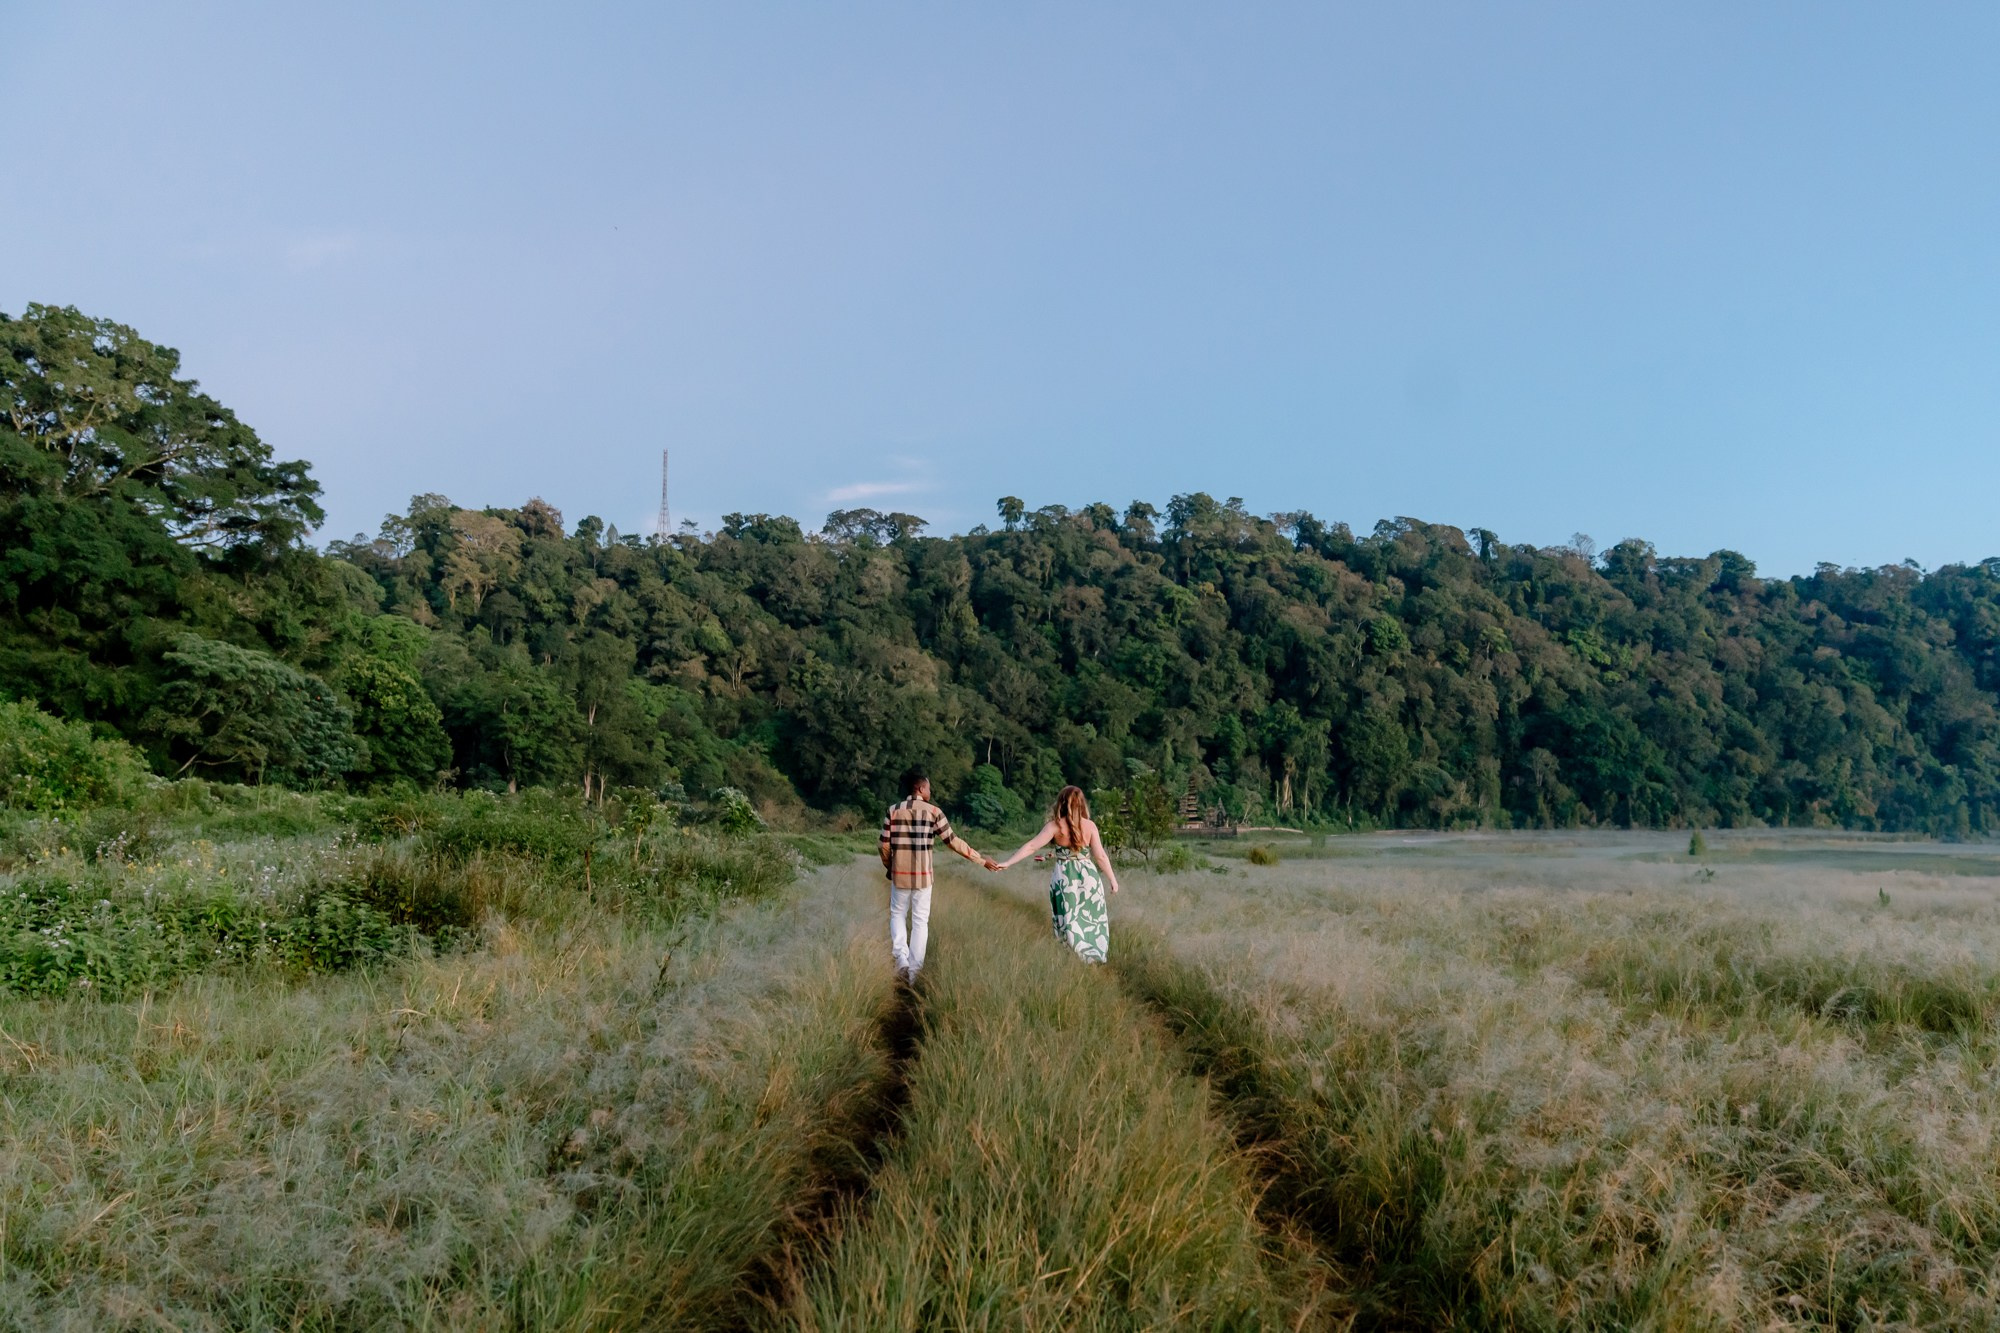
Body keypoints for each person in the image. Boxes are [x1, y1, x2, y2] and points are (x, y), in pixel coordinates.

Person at [879, 767, 997, 980]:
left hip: (900, 874)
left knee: (897, 914)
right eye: (929, 788)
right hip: (924, 876)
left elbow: (884, 846)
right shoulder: (934, 812)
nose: (930, 792)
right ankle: (914, 974)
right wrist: (981, 859)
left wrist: (890, 866)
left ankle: (901, 960)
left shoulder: (893, 810)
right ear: (921, 788)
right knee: (920, 921)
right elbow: (953, 842)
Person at [995, 785, 1119, 963]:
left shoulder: (1054, 826)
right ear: (1082, 804)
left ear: (1060, 803)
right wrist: (1113, 880)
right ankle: (1093, 957)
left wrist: (1008, 862)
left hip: (1065, 879)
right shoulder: (1090, 826)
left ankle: (1072, 957)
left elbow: (1031, 846)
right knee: (1093, 919)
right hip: (1089, 878)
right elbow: (1100, 856)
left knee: (1068, 919)